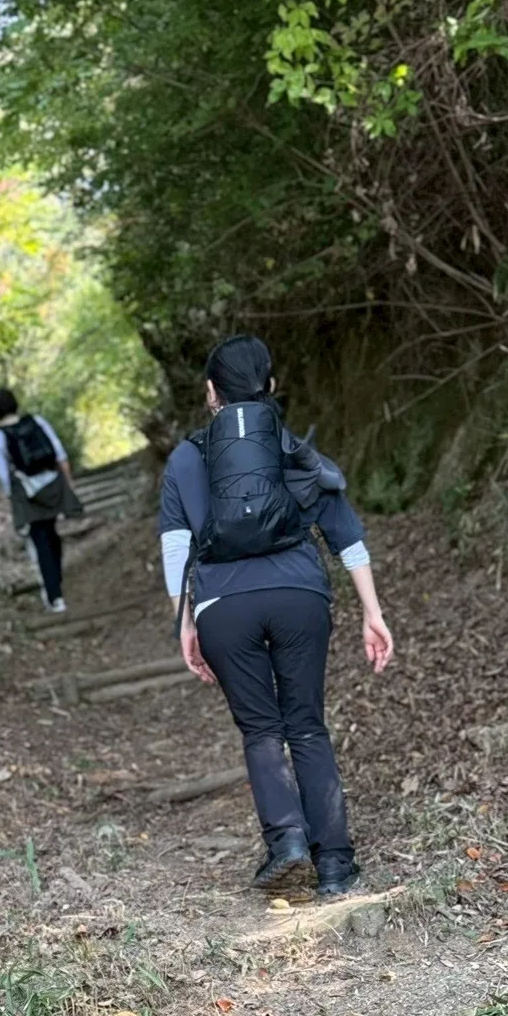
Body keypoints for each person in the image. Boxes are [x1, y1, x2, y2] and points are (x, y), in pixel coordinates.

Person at [159, 333, 394, 895]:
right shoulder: (293, 448)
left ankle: (287, 839)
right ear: (271, 387)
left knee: (262, 729)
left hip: (223, 608)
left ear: (210, 392)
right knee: (307, 725)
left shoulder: (187, 457)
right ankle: (335, 865)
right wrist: (372, 612)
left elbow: (175, 549)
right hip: (299, 597)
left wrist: (184, 622)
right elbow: (346, 536)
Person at [0, 386, 80, 614]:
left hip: (28, 493)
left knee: (40, 540)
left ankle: (55, 597)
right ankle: (55, 584)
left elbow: (3, 475)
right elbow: (59, 454)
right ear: (15, 404)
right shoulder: (37, 421)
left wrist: (13, 498)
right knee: (52, 533)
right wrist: (69, 483)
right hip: (53, 485)